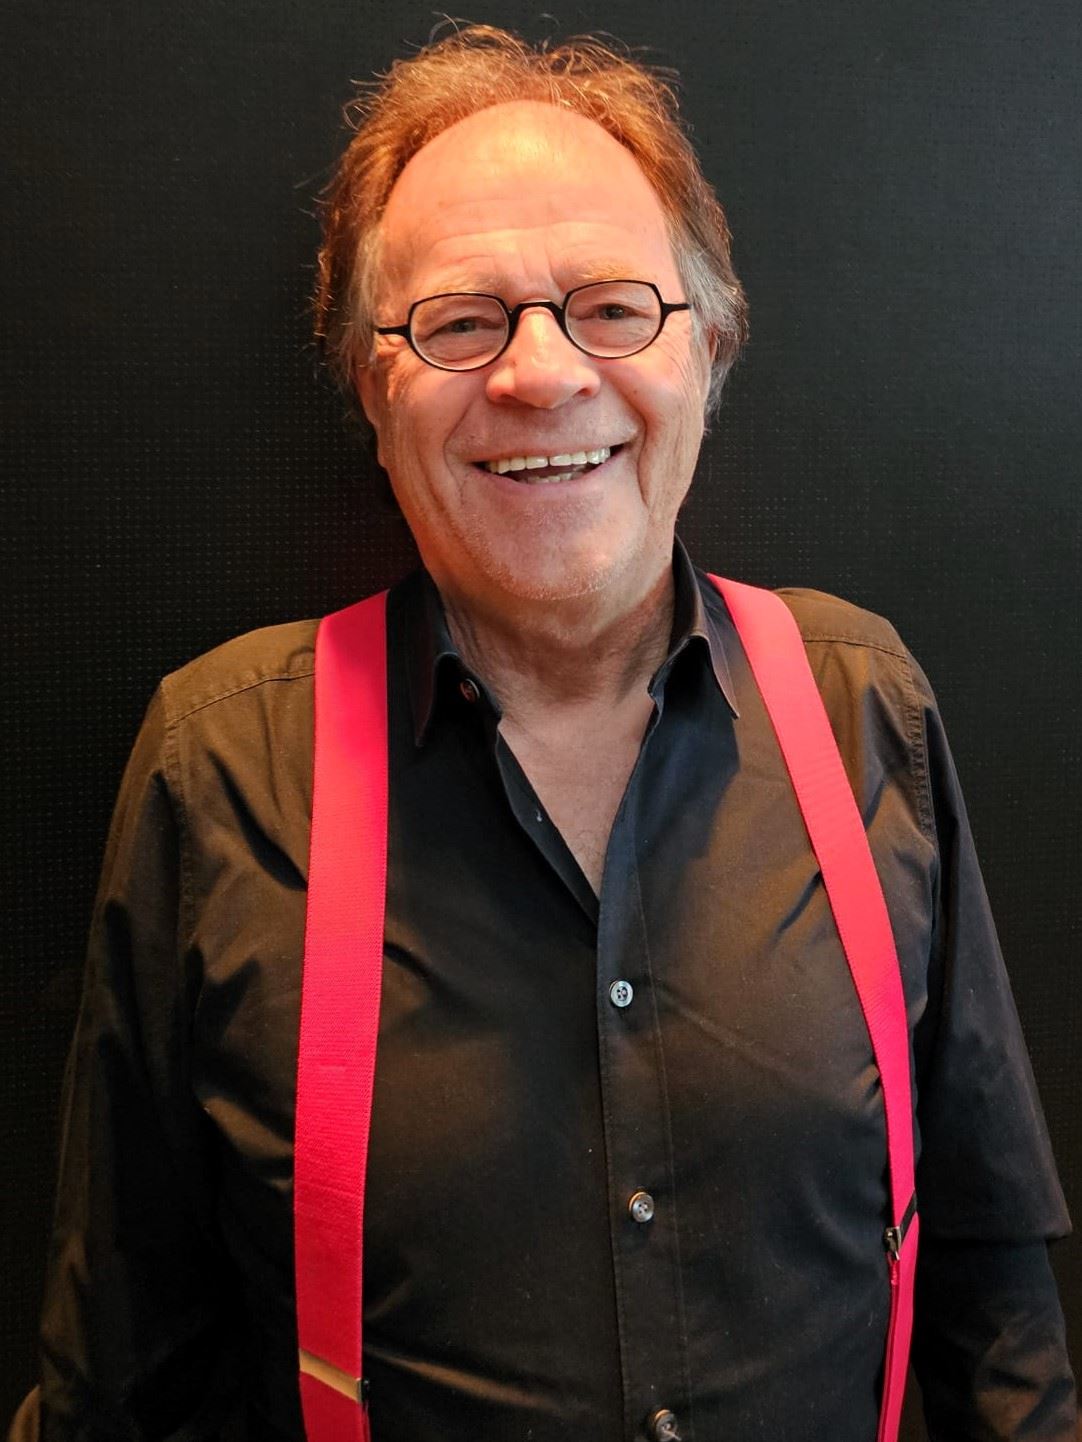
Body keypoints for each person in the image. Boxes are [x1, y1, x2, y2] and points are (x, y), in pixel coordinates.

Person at [10, 23, 1077, 1442]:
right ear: (371, 388)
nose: (540, 374)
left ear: (706, 350)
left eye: (612, 307)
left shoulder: (864, 703)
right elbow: (117, 1374)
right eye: (459, 321)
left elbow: (995, 1314)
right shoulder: (221, 768)